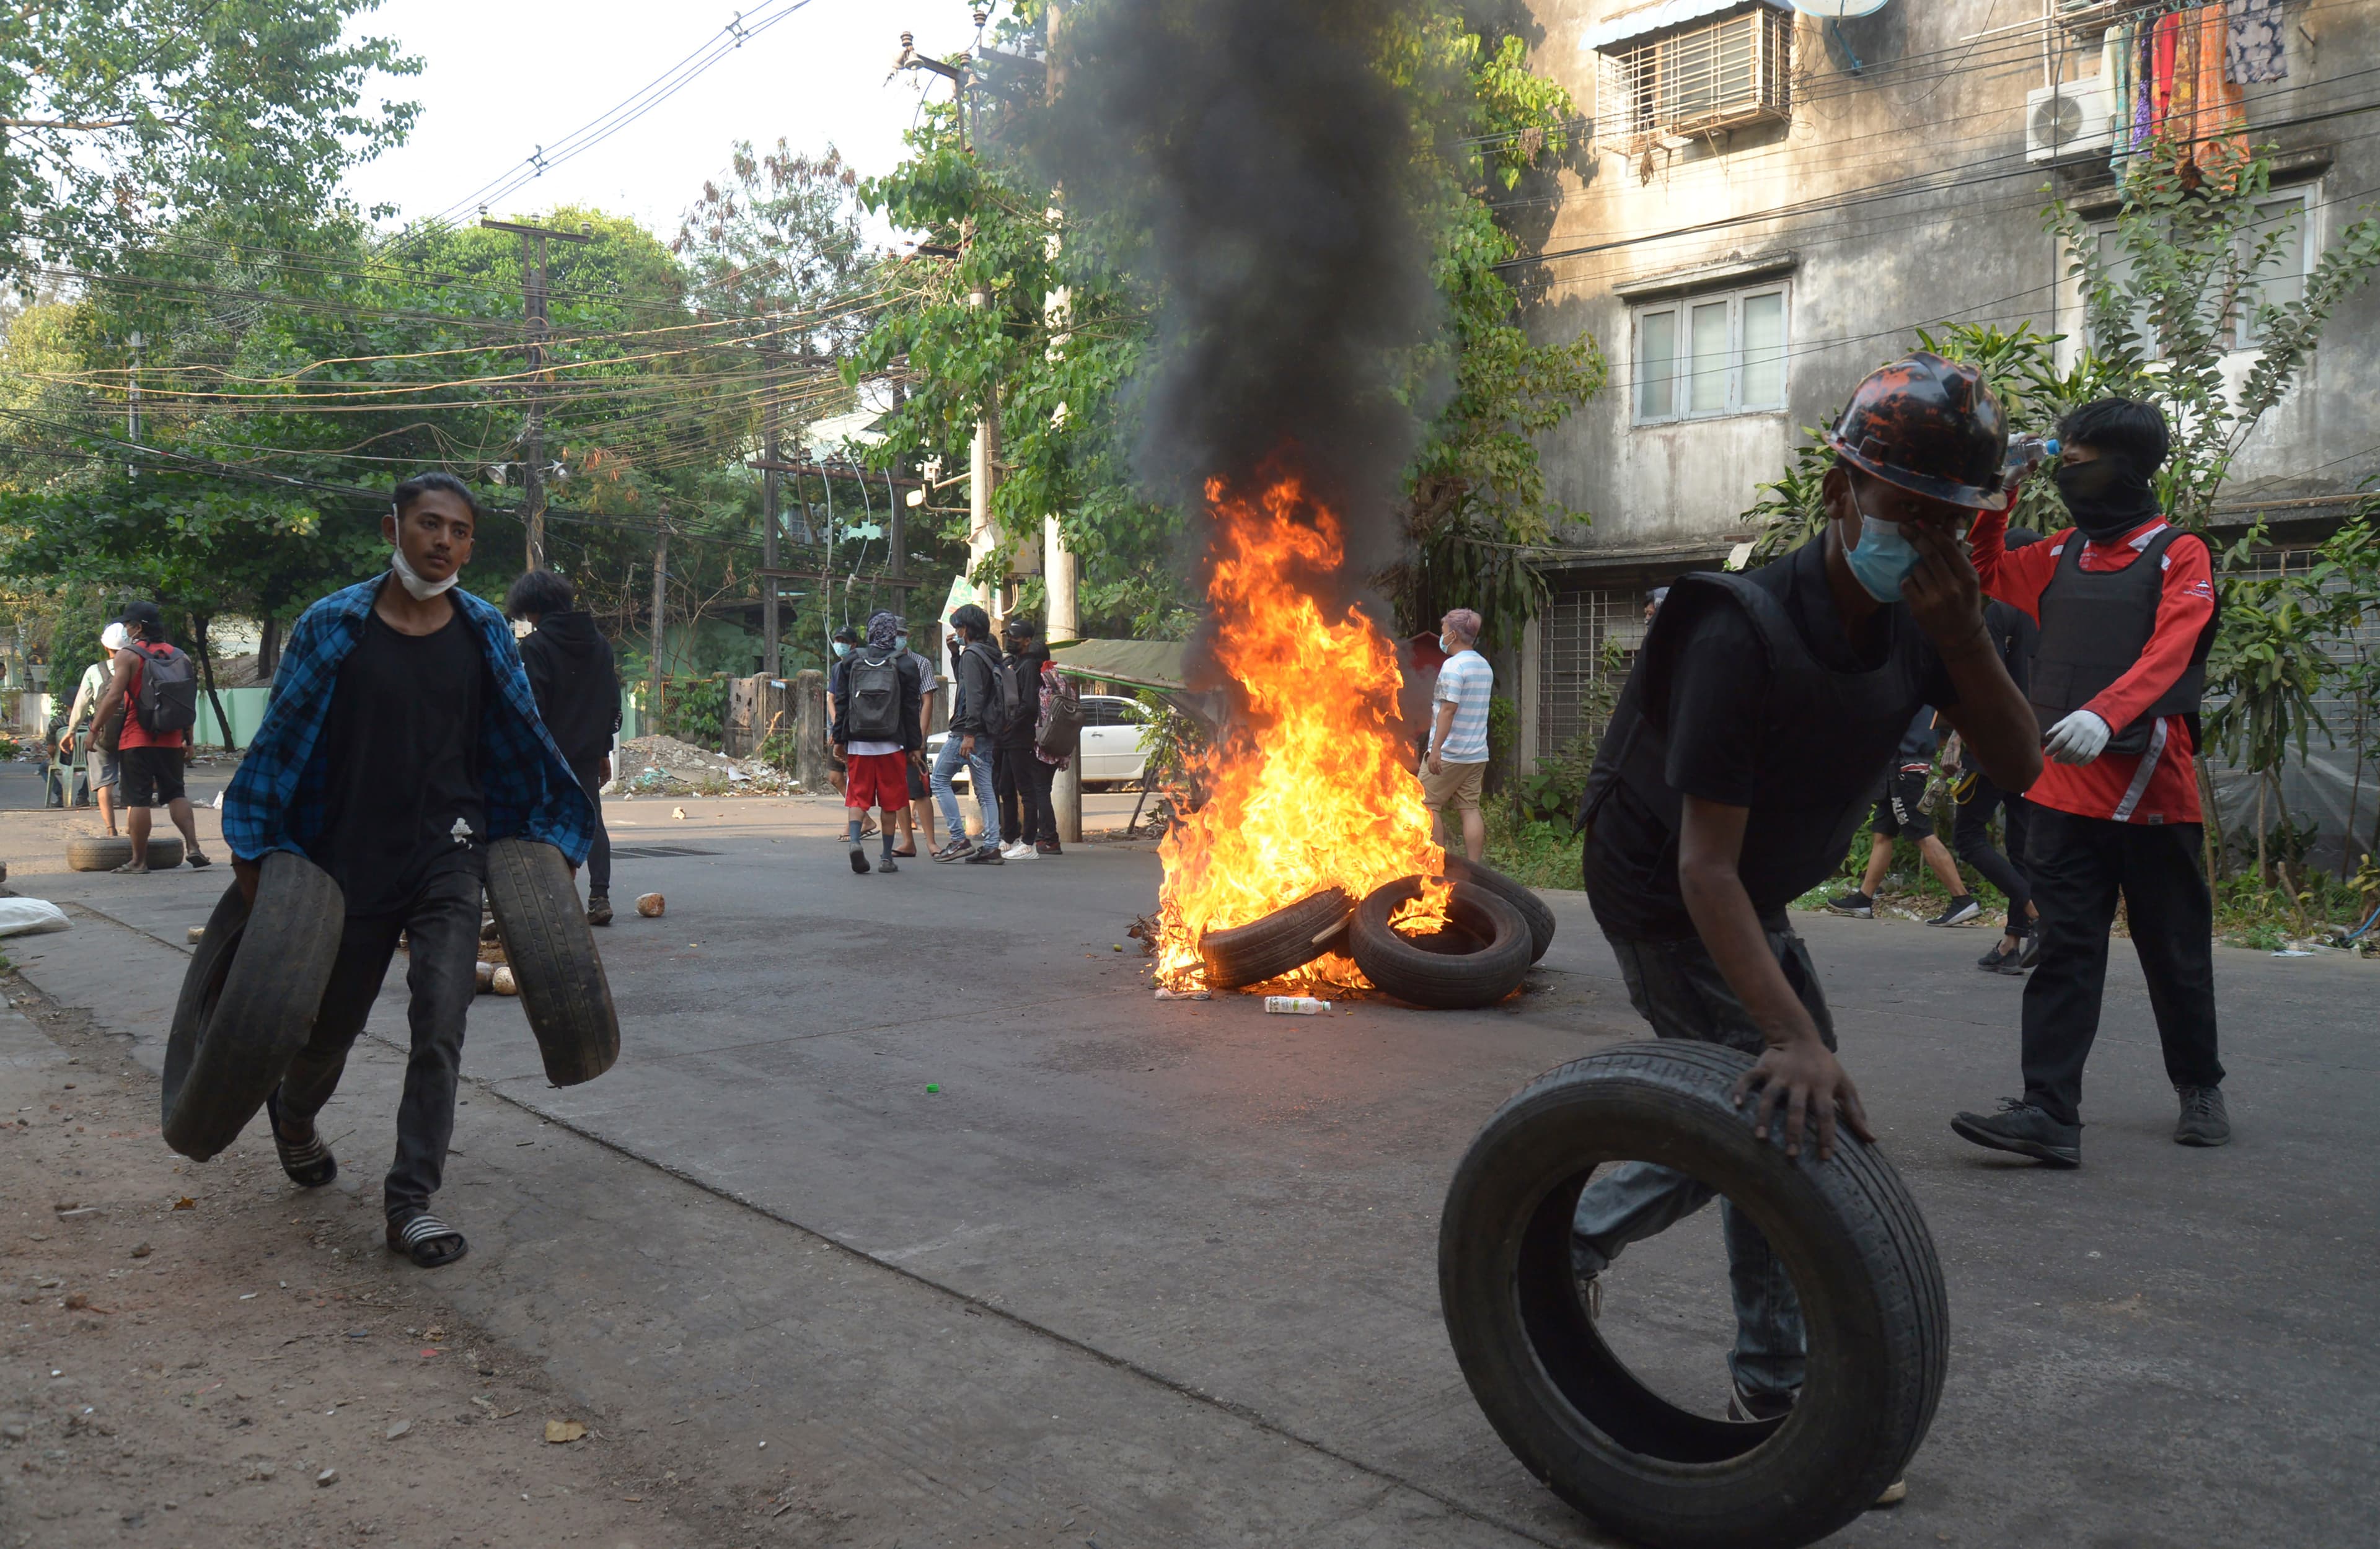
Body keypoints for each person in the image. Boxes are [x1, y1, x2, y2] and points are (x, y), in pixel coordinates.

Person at [1570, 354, 2042, 1457]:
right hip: (1664, 886)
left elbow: (2020, 767)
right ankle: (1762, 1377)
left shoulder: (1929, 615)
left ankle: (1634, 1281)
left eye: (1948, 521)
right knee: (1781, 1100)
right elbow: (1704, 870)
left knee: (1783, 1103)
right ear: (1842, 495)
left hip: (1753, 881)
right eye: (1902, 510)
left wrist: (1969, 635)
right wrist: (1785, 1029)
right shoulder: (1738, 628)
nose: (1921, 540)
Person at [224, 470, 593, 1270]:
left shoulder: (486, 629)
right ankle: (293, 1117)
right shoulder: (332, 626)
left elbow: (523, 741)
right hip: (345, 860)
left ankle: (410, 1201)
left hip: (449, 855)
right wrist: (257, 855)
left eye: (460, 531)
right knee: (329, 1028)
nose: (444, 542)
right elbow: (279, 747)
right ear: (393, 527)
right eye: (430, 525)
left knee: (442, 1019)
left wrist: (552, 845)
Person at [1952, 399, 2226, 1166]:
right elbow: (1980, 574)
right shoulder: (2058, 555)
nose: (2068, 473)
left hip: (2149, 790)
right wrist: (1997, 499)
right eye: (2062, 460)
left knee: (2173, 951)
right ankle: (2048, 1111)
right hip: (2059, 792)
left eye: (2080, 459)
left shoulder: (2181, 553)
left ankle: (2200, 1084)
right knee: (2066, 947)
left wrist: (2107, 715)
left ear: (2128, 466)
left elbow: (2174, 648)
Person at [509, 570, 622, 926]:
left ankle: (549, 901)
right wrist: (603, 749)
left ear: (534, 609)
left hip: (548, 752)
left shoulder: (536, 647)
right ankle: (599, 896)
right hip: (588, 750)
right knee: (593, 819)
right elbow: (610, 700)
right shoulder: (600, 644)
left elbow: (533, 704)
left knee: (542, 824)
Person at [1951, 551, 2045, 973]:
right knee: (2022, 844)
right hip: (2042, 744)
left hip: (1996, 744)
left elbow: (1982, 680)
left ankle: (2037, 912)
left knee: (1969, 836)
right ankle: (2013, 941)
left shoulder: (2000, 612)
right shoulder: (2053, 614)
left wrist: (1963, 734)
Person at [1825, 707, 1982, 926]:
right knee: (1883, 832)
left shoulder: (1914, 681)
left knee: (1920, 832)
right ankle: (1863, 899)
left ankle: (1962, 899)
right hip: (1898, 762)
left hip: (1907, 763)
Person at [90, 602, 212, 875]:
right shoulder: (180, 656)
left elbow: (113, 696)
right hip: (171, 738)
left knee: (139, 800)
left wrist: (94, 728)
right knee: (176, 793)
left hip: (137, 737)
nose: (126, 629)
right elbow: (187, 701)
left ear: (138, 628)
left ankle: (138, 861)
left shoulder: (128, 656)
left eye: (128, 624)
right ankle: (193, 847)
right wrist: (189, 740)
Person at [832, 611, 923, 874]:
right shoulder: (905, 665)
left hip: (859, 743)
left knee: (858, 798)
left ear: (870, 632)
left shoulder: (850, 662)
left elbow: (842, 704)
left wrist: (840, 739)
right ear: (892, 634)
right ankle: (886, 857)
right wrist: (914, 746)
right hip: (891, 745)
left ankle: (856, 842)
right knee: (890, 802)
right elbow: (910, 709)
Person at [930, 603, 1006, 864]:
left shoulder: (973, 654)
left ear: (967, 628)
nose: (957, 633)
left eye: (958, 628)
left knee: (939, 780)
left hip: (968, 730)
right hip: (987, 730)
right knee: (985, 789)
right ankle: (992, 846)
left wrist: (969, 734)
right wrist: (955, 655)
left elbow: (972, 695)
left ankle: (958, 839)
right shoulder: (989, 652)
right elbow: (969, 683)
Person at [1422, 608, 1492, 864]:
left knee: (1426, 804)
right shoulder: (1483, 665)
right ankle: (1475, 869)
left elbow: (1448, 710)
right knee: (1470, 808)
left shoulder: (1453, 667)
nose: (1441, 635)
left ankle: (1436, 865)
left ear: (1453, 635)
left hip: (1451, 753)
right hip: (1476, 754)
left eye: (1443, 631)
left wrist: (1436, 749)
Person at [992, 617, 1056, 861]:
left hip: (1019, 736)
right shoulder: (1015, 663)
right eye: (1008, 636)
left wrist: (1010, 726)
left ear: (1028, 641)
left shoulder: (1028, 666)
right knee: (1006, 788)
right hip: (1009, 736)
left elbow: (1029, 705)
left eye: (1015, 638)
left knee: (1025, 790)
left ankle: (1029, 843)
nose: (1010, 641)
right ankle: (1009, 838)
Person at [63, 622, 130, 833]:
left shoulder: (95, 670)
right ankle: (132, 825)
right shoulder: (137, 667)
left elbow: (81, 704)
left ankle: (111, 828)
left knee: (104, 783)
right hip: (132, 732)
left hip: (102, 733)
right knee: (132, 781)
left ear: (105, 647)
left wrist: (71, 731)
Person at [896, 620, 940, 858]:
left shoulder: (920, 663)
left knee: (920, 790)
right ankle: (907, 842)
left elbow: (927, 702)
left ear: (908, 635)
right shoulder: (883, 661)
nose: (897, 638)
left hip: (912, 734)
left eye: (901, 634)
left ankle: (931, 842)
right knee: (898, 791)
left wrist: (920, 740)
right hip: (889, 734)